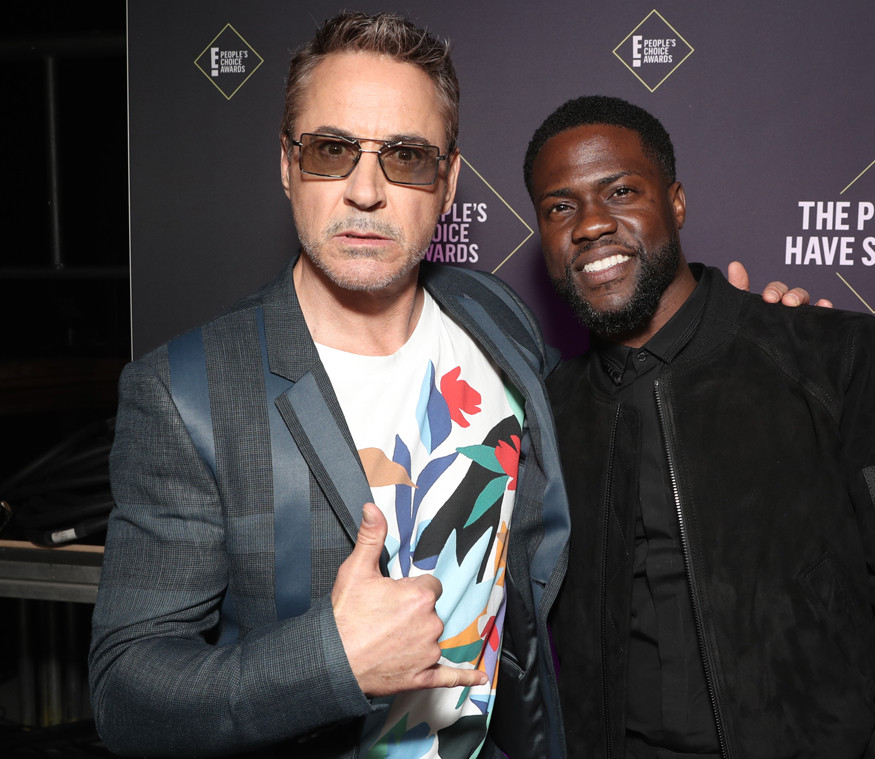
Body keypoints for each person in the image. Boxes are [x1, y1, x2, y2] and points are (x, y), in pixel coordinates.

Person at [89, 12, 810, 758]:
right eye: (332, 149)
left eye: (405, 156)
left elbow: (609, 415)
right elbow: (126, 691)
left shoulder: (492, 316)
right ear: (286, 164)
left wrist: (742, 346)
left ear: (449, 180)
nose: (365, 191)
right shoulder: (187, 394)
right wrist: (331, 663)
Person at [524, 95, 875, 759]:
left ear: (676, 202)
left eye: (621, 190)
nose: (591, 224)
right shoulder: (548, 411)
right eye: (559, 207)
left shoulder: (836, 358)